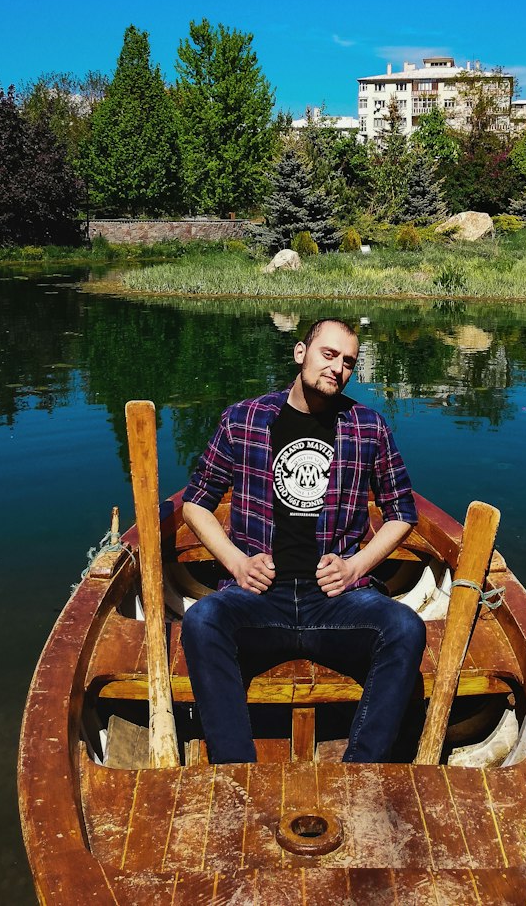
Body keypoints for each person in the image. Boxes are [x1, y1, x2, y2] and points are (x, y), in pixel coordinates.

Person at [180, 317, 426, 764]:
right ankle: (238, 771)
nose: (337, 368)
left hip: (336, 603)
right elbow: (196, 503)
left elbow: (401, 514)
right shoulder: (244, 419)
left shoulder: (368, 427)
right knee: (202, 621)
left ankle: (360, 770)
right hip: (258, 601)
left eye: (348, 362)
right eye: (328, 355)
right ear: (301, 353)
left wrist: (356, 567)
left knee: (406, 628)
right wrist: (236, 563)